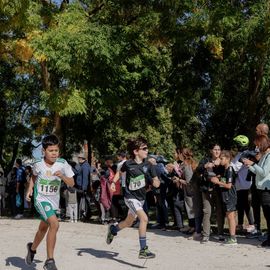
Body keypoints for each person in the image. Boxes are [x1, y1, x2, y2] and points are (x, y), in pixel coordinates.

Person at [25, 134, 74, 270]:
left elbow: (72, 183)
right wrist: (30, 189)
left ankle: (32, 248)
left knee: (43, 228)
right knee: (54, 224)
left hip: (53, 201)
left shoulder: (63, 164)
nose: (54, 153)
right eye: (51, 151)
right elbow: (34, 176)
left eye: (56, 151)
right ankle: (50, 261)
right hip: (40, 199)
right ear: (44, 151)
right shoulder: (38, 165)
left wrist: (62, 176)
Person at [106, 137, 160, 259]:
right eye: (144, 148)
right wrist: (113, 183)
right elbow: (119, 173)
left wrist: (153, 181)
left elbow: (157, 183)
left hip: (141, 198)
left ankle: (113, 230)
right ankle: (143, 250)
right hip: (130, 197)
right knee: (144, 219)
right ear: (136, 151)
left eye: (147, 148)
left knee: (128, 222)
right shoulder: (128, 164)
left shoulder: (149, 165)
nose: (147, 150)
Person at [243, 135, 270, 247]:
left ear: (262, 144)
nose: (256, 147)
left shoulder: (269, 156)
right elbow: (258, 172)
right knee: (267, 215)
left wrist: (252, 163)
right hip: (261, 189)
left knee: (268, 215)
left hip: (267, 190)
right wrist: (249, 166)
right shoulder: (264, 156)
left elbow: (263, 172)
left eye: (257, 145)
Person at [197, 143, 225, 243]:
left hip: (218, 190)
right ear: (211, 151)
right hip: (206, 189)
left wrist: (218, 177)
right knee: (207, 212)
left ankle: (221, 233)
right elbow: (198, 169)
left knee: (219, 212)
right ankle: (206, 235)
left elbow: (226, 172)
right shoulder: (205, 160)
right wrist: (205, 166)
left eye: (219, 149)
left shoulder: (222, 160)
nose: (217, 151)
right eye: (215, 149)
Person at [211, 150, 237, 245]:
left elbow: (229, 185)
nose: (220, 160)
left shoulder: (230, 169)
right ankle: (232, 237)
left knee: (231, 217)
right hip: (225, 196)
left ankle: (233, 238)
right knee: (229, 216)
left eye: (222, 158)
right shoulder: (225, 169)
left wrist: (217, 182)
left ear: (228, 159)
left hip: (229, 196)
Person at [231, 135, 255, 233]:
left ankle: (252, 224)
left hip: (244, 185)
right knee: (241, 205)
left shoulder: (242, 155)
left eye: (236, 144)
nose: (235, 146)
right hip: (241, 185)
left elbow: (234, 169)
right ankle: (240, 224)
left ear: (240, 145)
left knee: (246, 205)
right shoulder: (243, 154)